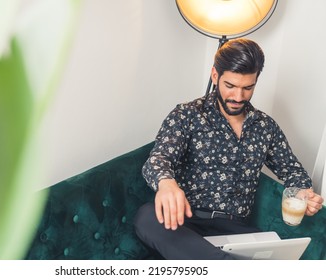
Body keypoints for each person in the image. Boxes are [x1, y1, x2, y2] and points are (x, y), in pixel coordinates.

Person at [133, 38, 324, 260]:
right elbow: (158, 159)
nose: (238, 97)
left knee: (279, 251)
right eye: (230, 86)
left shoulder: (265, 127)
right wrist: (166, 184)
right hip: (186, 224)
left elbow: (294, 172)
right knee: (147, 217)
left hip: (236, 230)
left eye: (247, 88)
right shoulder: (187, 115)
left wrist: (303, 193)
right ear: (215, 76)